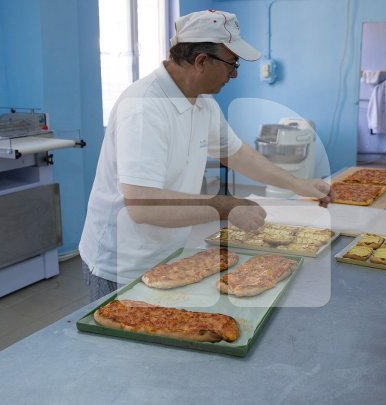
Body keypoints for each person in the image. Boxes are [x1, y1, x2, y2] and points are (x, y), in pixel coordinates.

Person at [79, 9, 330, 301]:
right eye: (232, 63)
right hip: (121, 267)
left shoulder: (203, 104)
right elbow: (141, 205)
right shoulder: (144, 106)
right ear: (201, 61)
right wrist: (223, 206)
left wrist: (300, 184)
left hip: (167, 254)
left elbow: (237, 155)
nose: (234, 74)